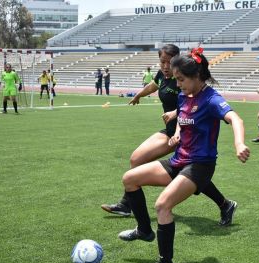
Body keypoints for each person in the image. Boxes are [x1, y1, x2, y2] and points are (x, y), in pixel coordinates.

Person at [117, 48, 250, 263]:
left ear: (197, 76)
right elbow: (183, 113)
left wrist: (239, 143)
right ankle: (144, 230)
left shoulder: (212, 99)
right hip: (179, 160)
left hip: (199, 165)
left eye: (181, 79)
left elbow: (235, 119)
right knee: (130, 178)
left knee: (162, 205)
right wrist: (178, 131)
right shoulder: (184, 95)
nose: (177, 84)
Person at [101, 44, 238, 227]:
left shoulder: (185, 79)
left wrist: (176, 115)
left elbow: (195, 103)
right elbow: (154, 87)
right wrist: (139, 95)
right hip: (172, 130)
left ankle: (128, 205)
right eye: (162, 61)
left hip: (184, 134)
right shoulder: (164, 75)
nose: (165, 67)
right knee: (138, 160)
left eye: (169, 62)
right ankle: (225, 204)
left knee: (191, 172)